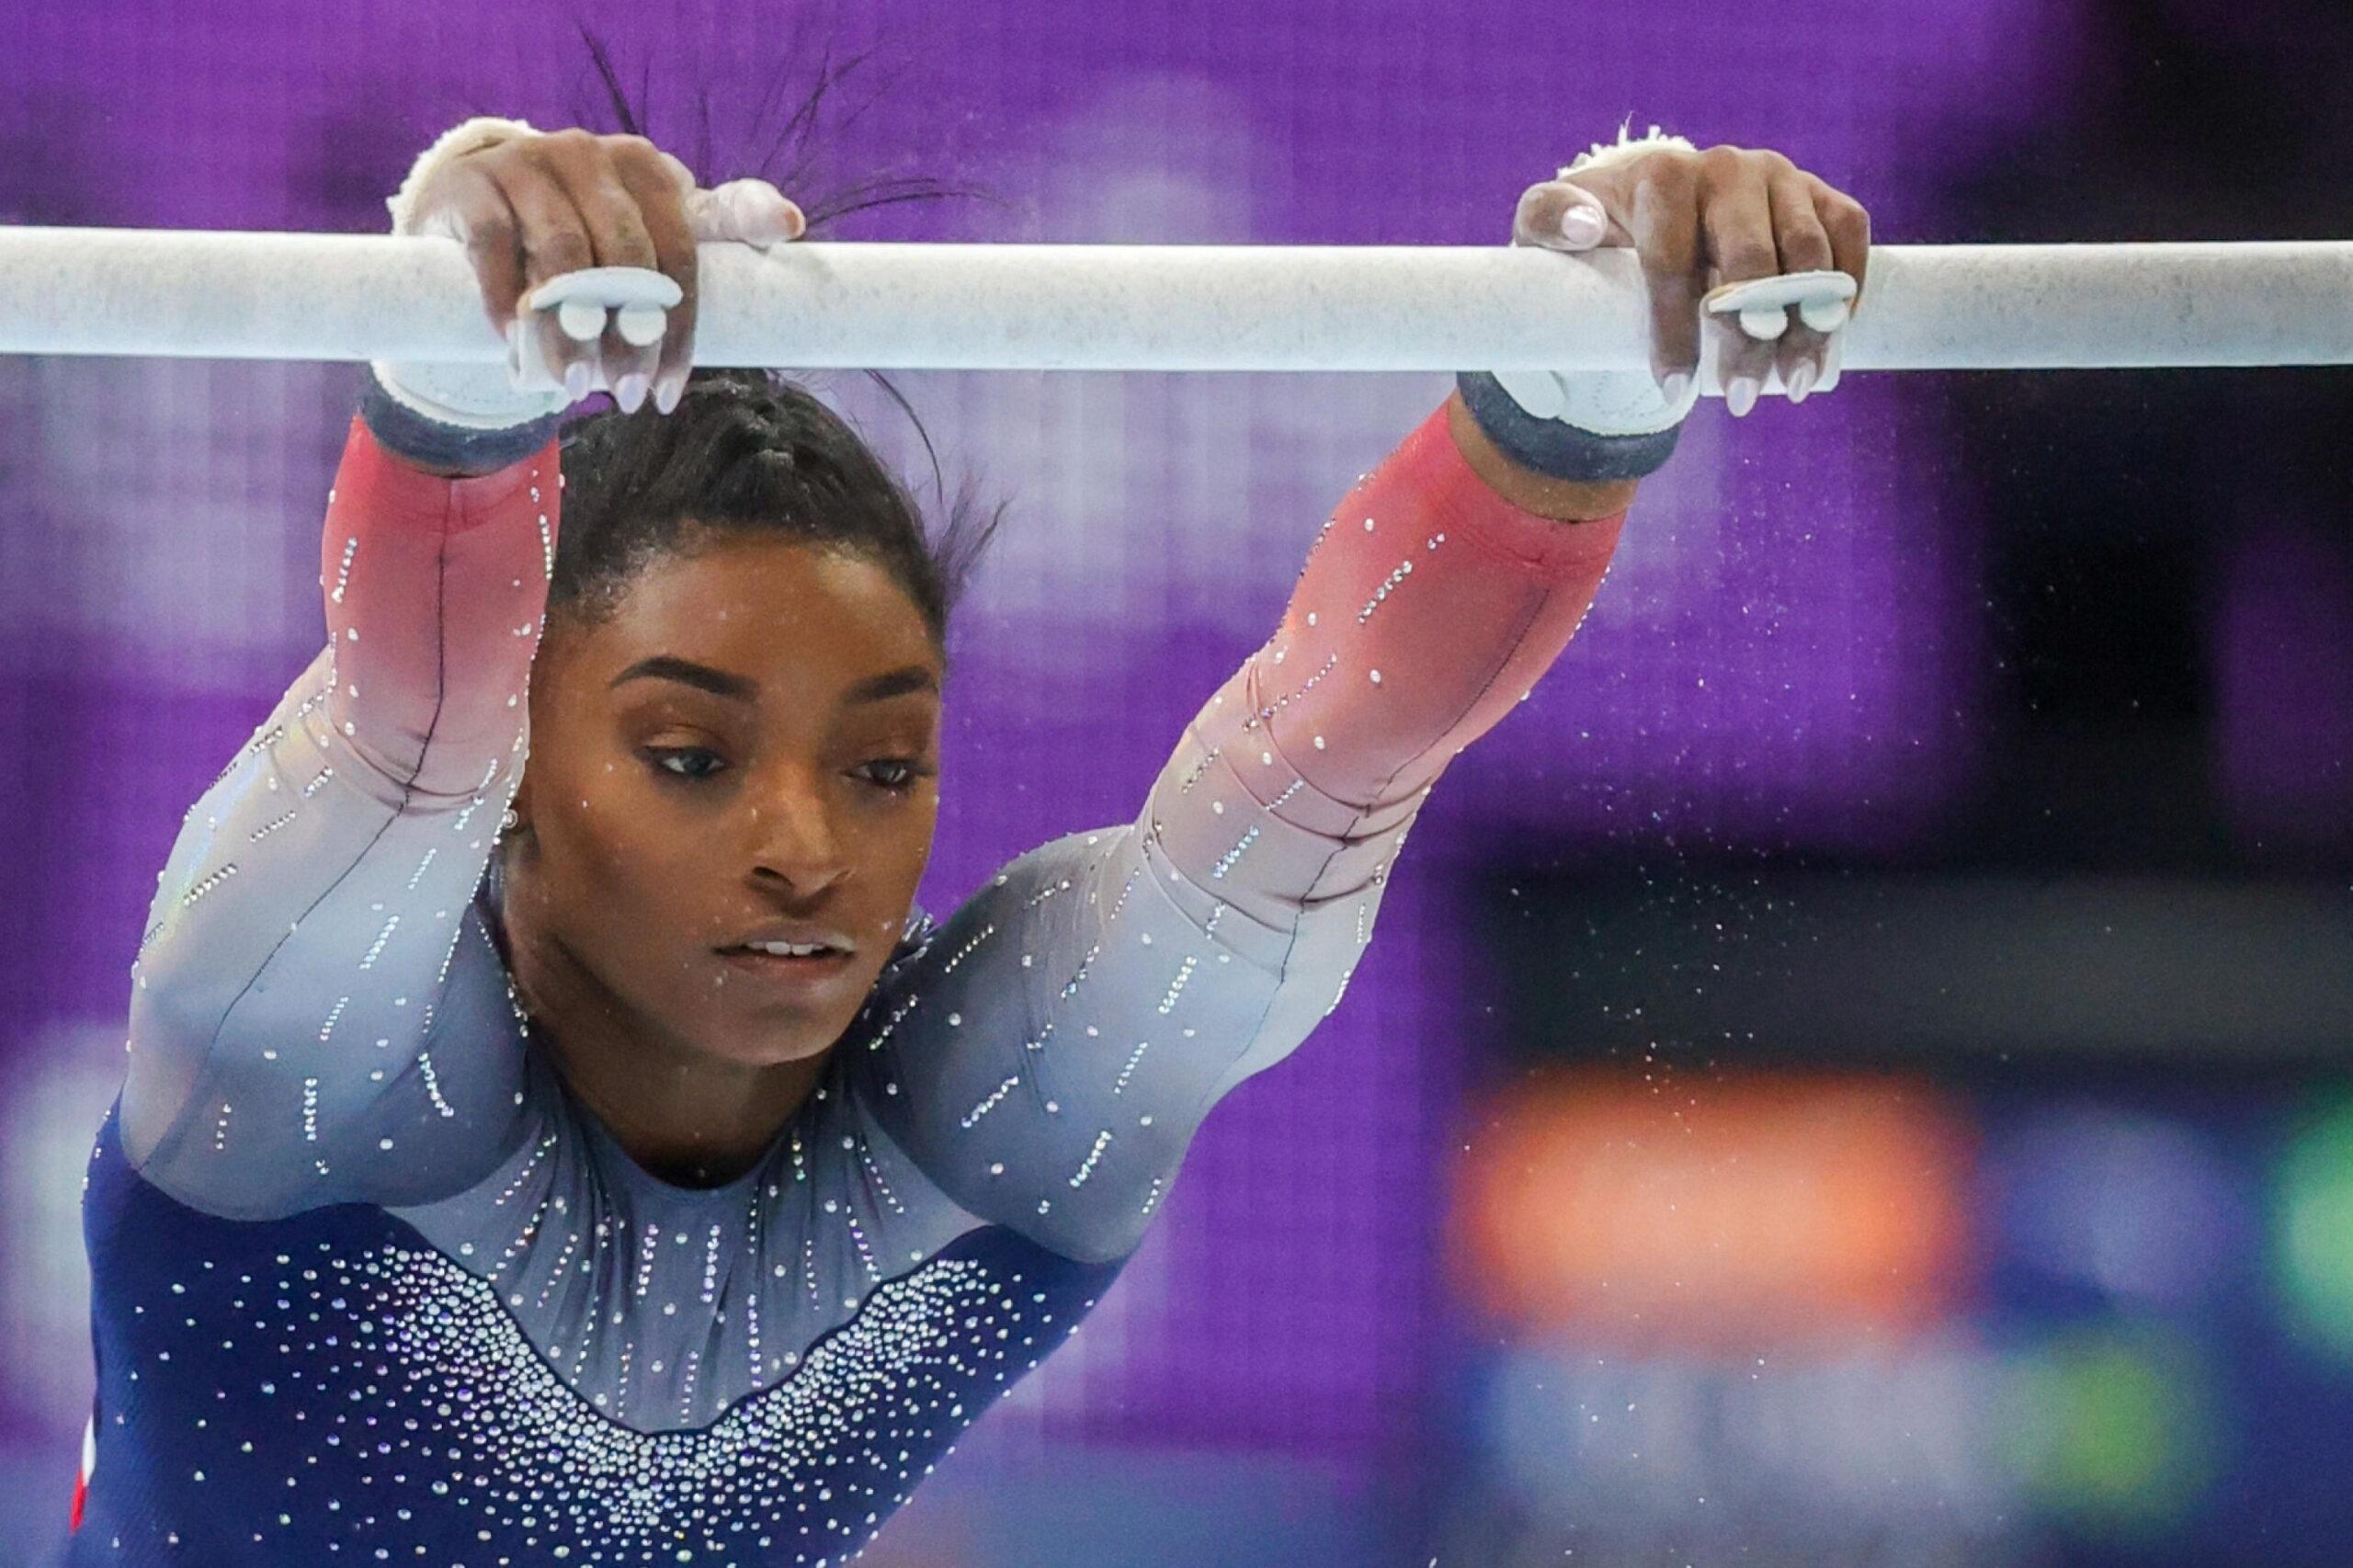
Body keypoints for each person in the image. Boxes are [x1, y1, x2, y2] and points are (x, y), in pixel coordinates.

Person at [64, 109, 1867, 1564]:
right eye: (688, 752)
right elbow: (406, 738)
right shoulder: (319, 1089)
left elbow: (1319, 769)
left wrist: (1595, 376)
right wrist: (470, 283)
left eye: (878, 766)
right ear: (524, 782)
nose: (802, 848)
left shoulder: (969, 1131)